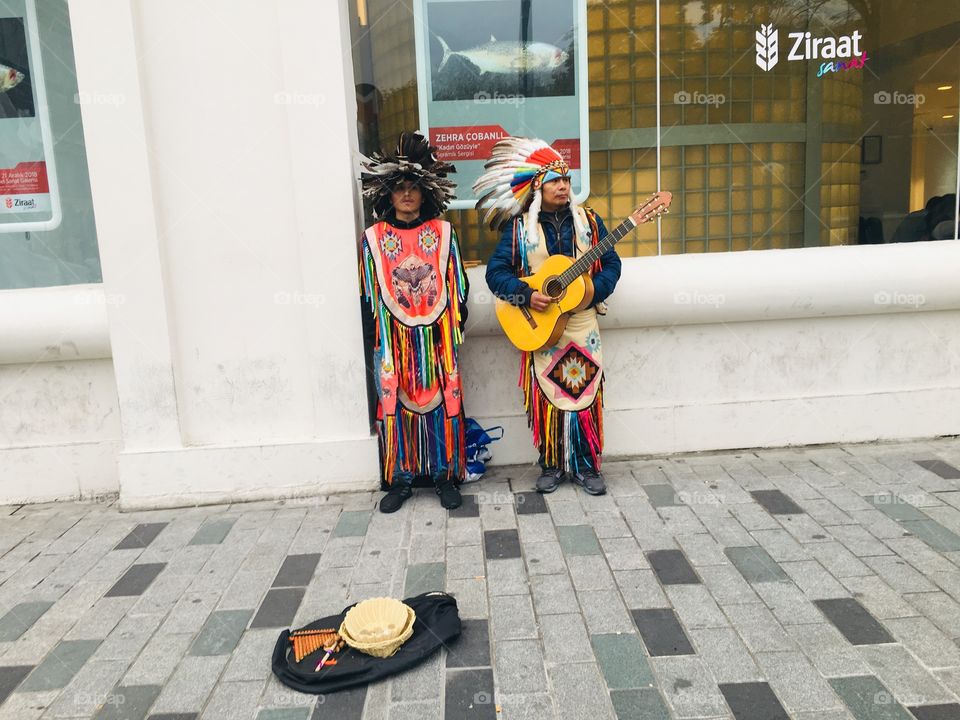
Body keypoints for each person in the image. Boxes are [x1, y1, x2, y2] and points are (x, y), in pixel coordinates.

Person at [477, 138, 621, 496]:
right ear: (538, 187)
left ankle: (588, 466)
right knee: (549, 396)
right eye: (555, 180)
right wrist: (526, 294)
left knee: (585, 394)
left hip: (582, 323)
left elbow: (612, 265)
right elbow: (496, 274)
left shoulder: (589, 222)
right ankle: (552, 464)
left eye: (566, 179)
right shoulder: (519, 230)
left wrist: (592, 292)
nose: (563, 186)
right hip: (542, 327)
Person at [359, 132, 469, 512]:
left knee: (442, 401)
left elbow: (458, 286)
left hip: (436, 338)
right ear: (387, 195)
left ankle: (444, 475)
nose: (407, 195)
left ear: (426, 194)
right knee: (394, 404)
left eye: (414, 188)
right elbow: (367, 294)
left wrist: (453, 328)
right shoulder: (374, 238)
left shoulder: (442, 233)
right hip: (392, 341)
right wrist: (376, 338)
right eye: (399, 188)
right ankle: (401, 479)